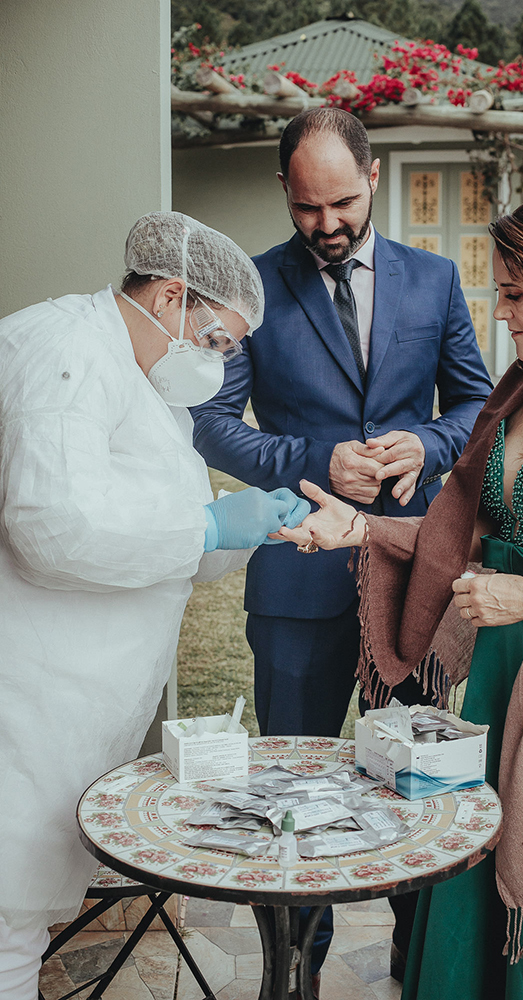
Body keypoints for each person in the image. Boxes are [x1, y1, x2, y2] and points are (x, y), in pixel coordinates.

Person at [276, 190, 523, 999]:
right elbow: (468, 534)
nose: (499, 313)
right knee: (472, 893)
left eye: (514, 293)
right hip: (497, 682)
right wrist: (359, 530)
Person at [190, 106, 492, 982]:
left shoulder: (433, 280)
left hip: (413, 573)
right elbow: (211, 425)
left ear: (371, 178)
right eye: (306, 208)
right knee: (290, 786)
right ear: (284, 190)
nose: (325, 226)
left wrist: (426, 445)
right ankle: (296, 965)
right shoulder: (250, 286)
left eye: (342, 205)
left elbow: (475, 404)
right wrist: (315, 458)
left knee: (414, 783)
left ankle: (416, 955)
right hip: (295, 581)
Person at [0, 211, 309, 1000]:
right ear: (172, 297)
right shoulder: (64, 349)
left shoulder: (144, 379)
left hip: (80, 692)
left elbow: (157, 537)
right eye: (217, 341)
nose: (219, 363)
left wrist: (247, 531)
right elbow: (53, 528)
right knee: (5, 919)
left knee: (23, 917)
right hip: (27, 690)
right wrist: (206, 522)